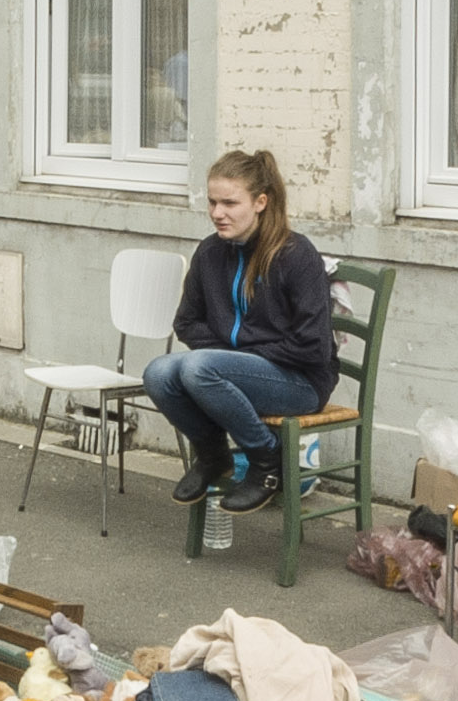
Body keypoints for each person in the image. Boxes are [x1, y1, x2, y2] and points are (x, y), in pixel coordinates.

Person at [142, 149, 336, 515]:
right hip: (233, 374)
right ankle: (213, 454)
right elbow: (187, 321)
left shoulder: (296, 255)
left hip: (300, 382)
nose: (218, 213)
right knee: (158, 373)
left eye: (230, 203)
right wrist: (226, 358)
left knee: (200, 368)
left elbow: (313, 346)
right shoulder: (210, 252)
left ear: (261, 202)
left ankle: (266, 462)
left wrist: (238, 357)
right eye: (213, 202)